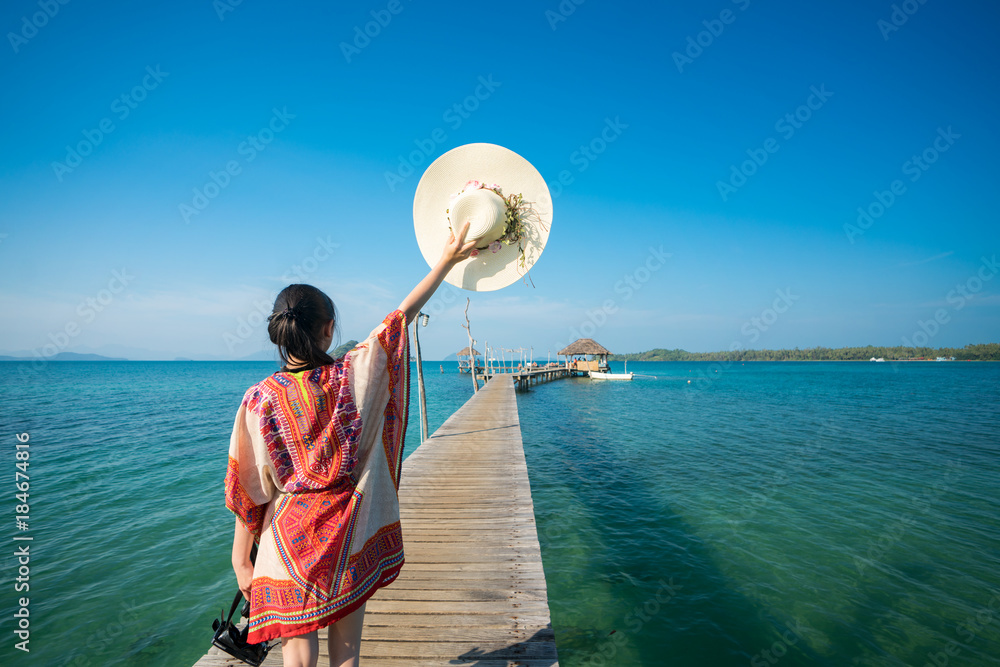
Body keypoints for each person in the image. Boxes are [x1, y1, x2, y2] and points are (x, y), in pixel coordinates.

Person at [226, 222, 476, 667]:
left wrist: (241, 560)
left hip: (284, 547)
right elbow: (399, 320)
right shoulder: (351, 378)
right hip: (348, 535)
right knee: (347, 658)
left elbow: (251, 489)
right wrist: (447, 260)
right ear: (328, 328)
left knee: (297, 663)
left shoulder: (258, 399)